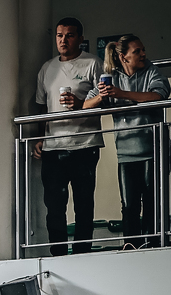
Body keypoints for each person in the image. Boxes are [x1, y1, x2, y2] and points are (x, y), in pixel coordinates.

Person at [86, 34, 168, 250]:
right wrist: (102, 97)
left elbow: (159, 96)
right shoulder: (110, 77)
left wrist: (122, 94)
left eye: (143, 50)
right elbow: (86, 105)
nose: (143, 54)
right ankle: (131, 246)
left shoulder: (151, 70)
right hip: (125, 151)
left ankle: (153, 245)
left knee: (152, 202)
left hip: (153, 149)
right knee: (129, 204)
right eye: (137, 51)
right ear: (123, 57)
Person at [33, 17, 104, 256]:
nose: (63, 40)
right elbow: (41, 108)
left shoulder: (92, 63)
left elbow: (105, 98)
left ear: (80, 39)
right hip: (53, 147)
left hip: (85, 144)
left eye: (70, 35)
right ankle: (58, 254)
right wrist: (39, 138)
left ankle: (82, 252)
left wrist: (80, 103)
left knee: (84, 204)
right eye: (60, 35)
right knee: (54, 206)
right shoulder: (47, 68)